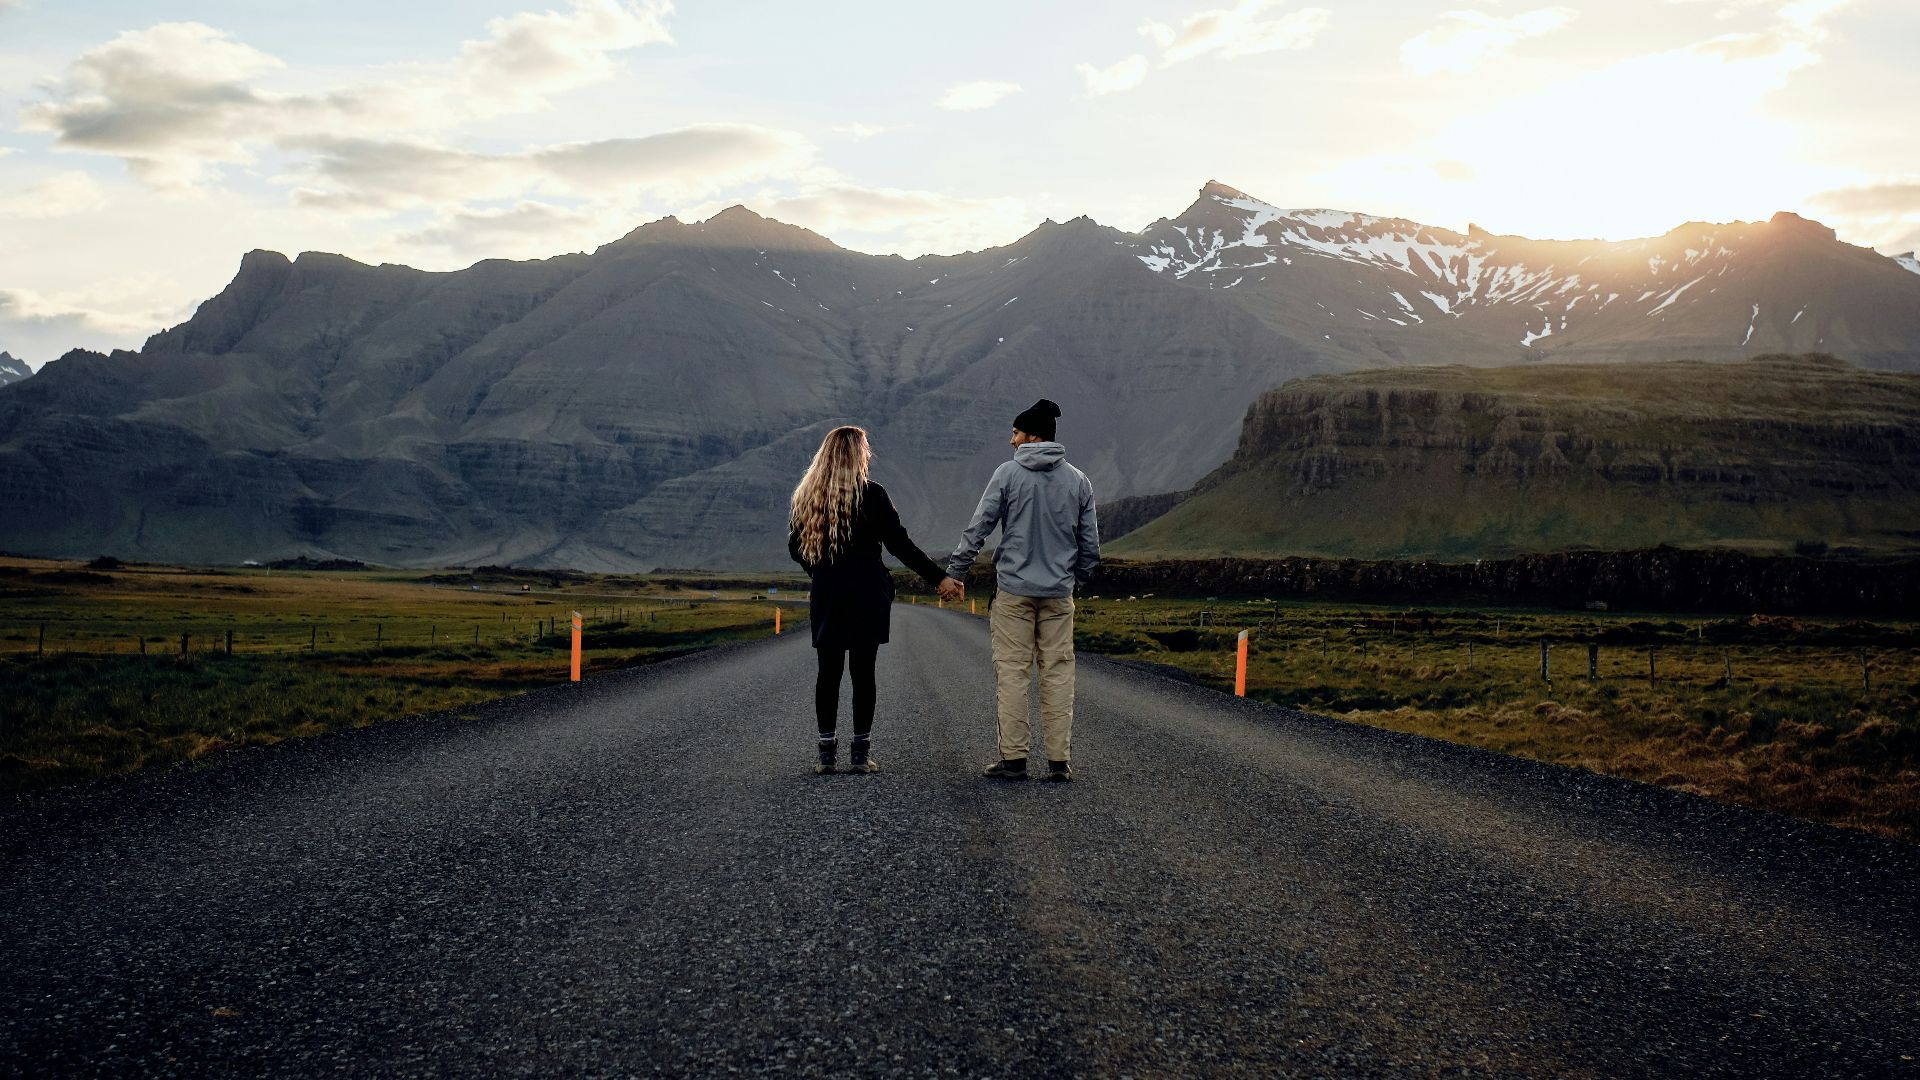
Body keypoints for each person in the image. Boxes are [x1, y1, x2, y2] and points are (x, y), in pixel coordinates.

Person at [940, 399, 1099, 782]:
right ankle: (1059, 762)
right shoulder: (1078, 481)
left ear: (1033, 435)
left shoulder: (1007, 475)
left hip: (1013, 592)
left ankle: (1014, 760)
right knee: (1058, 673)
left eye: (1015, 433)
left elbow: (979, 527)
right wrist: (1073, 581)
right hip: (1059, 594)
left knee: (1012, 673)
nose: (1011, 441)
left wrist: (956, 572)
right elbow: (1090, 548)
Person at [788, 425, 949, 775]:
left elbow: (794, 547)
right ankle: (860, 756)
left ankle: (826, 756)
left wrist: (819, 572)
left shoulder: (807, 496)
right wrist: (940, 578)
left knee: (828, 673)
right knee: (864, 673)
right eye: (865, 448)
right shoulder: (872, 495)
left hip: (828, 595)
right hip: (867, 595)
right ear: (858, 454)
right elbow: (900, 545)